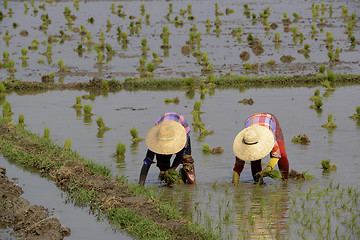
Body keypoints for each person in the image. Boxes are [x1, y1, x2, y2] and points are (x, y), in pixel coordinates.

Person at [139, 112, 196, 185]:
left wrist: (171, 169)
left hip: (179, 125)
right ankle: (168, 184)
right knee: (162, 163)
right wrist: (141, 185)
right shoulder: (155, 142)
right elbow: (147, 162)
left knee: (187, 161)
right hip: (161, 128)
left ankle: (192, 186)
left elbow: (180, 155)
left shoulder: (182, 138)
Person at [232, 113, 289, 184]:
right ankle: (258, 183)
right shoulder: (244, 141)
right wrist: (235, 182)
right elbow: (238, 164)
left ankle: (285, 180)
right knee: (254, 158)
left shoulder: (269, 135)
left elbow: (276, 154)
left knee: (282, 154)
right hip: (251, 121)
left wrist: (268, 169)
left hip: (269, 120)